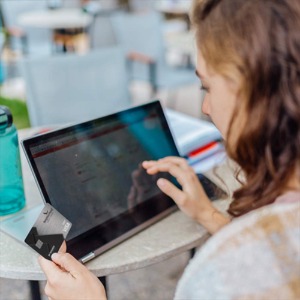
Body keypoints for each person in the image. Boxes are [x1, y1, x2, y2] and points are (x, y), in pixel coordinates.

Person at [38, 0, 300, 299]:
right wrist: (207, 215)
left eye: (207, 87)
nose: (205, 107)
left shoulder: (219, 277)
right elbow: (271, 259)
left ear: (254, 94)